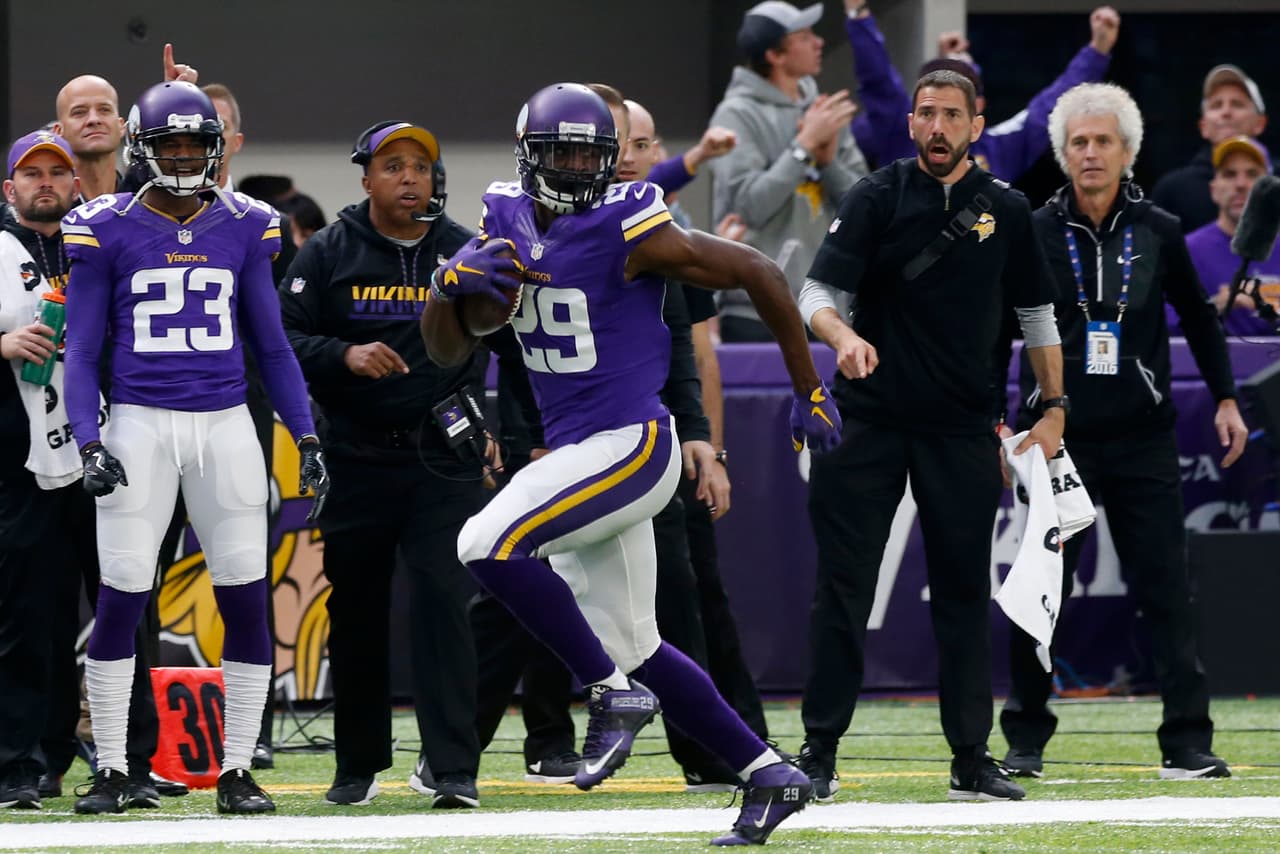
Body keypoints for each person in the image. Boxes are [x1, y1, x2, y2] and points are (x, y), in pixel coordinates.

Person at [423, 82, 835, 846]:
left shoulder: (631, 224)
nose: (580, 168)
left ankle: (610, 694)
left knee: (482, 543)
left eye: (593, 155)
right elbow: (450, 345)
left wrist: (808, 388)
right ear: (531, 155)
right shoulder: (503, 212)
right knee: (639, 644)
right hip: (582, 447)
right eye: (565, 154)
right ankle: (768, 773)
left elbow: (759, 272)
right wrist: (447, 287)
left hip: (635, 443)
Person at [795, 68, 1066, 803]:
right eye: (926, 114)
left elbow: (1039, 317)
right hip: (870, 422)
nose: (938, 127)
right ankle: (818, 750)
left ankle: (971, 757)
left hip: (961, 430)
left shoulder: (1008, 212)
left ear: (977, 126)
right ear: (911, 124)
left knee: (960, 592)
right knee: (842, 591)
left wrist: (1055, 408)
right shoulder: (876, 195)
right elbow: (815, 293)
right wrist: (842, 337)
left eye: (952, 115)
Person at [61, 80, 328, 815]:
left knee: (245, 597)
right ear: (143, 149)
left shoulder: (246, 223)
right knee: (120, 598)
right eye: (169, 143)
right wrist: (89, 438)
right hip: (138, 426)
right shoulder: (103, 225)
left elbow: (273, 348)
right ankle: (114, 767)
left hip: (225, 426)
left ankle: (238, 769)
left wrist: (304, 433)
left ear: (216, 150)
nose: (182, 157)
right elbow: (79, 351)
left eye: (194, 144)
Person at [279, 120, 533, 810]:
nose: (409, 178)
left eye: (420, 166)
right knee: (356, 613)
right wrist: (345, 356)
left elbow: (514, 349)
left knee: (443, 607)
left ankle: (454, 768)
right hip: (355, 455)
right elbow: (281, 337)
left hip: (441, 458)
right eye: (393, 166)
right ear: (366, 180)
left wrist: (516, 435)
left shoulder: (465, 251)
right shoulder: (329, 251)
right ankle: (357, 766)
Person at [999, 82, 1247, 782]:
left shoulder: (1160, 229)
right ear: (1062, 152)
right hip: (1056, 438)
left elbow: (1200, 320)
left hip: (1143, 436)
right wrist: (996, 416)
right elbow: (998, 327)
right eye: (1078, 141)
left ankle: (1187, 742)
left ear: (1128, 152)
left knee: (1168, 588)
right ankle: (1024, 738)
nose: (1090, 152)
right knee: (1042, 588)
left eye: (1103, 140)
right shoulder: (1034, 227)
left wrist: (1226, 397)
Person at [43, 53, 199, 807]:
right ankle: (40, 760)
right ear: (58, 129)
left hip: (147, 427)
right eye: (80, 110)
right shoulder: (32, 216)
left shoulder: (160, 200)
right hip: (51, 440)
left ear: (128, 126)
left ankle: (131, 761)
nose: (94, 118)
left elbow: (219, 215)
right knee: (42, 604)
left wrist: (186, 102)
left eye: (106, 106)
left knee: (132, 594)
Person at [0, 131, 88, 810]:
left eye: (58, 171)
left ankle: (72, 757)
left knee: (94, 611)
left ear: (78, 182)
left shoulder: (99, 243)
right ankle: (17, 762)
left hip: (99, 449)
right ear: (10, 189)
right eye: (33, 173)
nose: (46, 181)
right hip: (14, 460)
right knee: (25, 614)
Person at [707, 1, 868, 342]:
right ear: (775, 56)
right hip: (754, 310)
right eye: (805, 36)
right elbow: (748, 207)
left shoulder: (823, 112)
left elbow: (863, 207)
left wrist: (827, 163)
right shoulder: (734, 115)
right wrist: (804, 147)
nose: (819, 42)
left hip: (824, 309)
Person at [844, 2, 1119, 178]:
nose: (939, 124)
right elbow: (879, 80)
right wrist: (857, 14)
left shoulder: (1000, 146)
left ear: (979, 109)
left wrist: (1097, 51)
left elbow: (1052, 104)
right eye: (929, 108)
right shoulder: (900, 133)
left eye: (954, 107)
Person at [1178, 136, 1280, 335]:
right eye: (1229, 174)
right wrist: (1214, 306)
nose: (1241, 184)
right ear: (1213, 189)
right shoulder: (1186, 251)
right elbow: (1161, 321)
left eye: (1252, 174)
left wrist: (1271, 306)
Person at [1152, 65, 1269, 232]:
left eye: (1237, 104)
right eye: (1216, 105)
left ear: (1260, 123)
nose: (1226, 112)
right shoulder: (1171, 190)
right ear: (1203, 126)